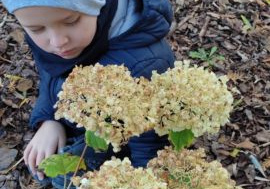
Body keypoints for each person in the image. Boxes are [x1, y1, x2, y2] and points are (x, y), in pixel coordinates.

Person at [2, 0, 175, 188]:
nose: (57, 42)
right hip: (83, 119)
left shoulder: (143, 64)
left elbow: (151, 143)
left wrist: (144, 180)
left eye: (71, 22)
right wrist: (50, 119)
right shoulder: (58, 42)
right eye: (36, 29)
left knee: (63, 179)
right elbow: (51, 74)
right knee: (43, 167)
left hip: (125, 139)